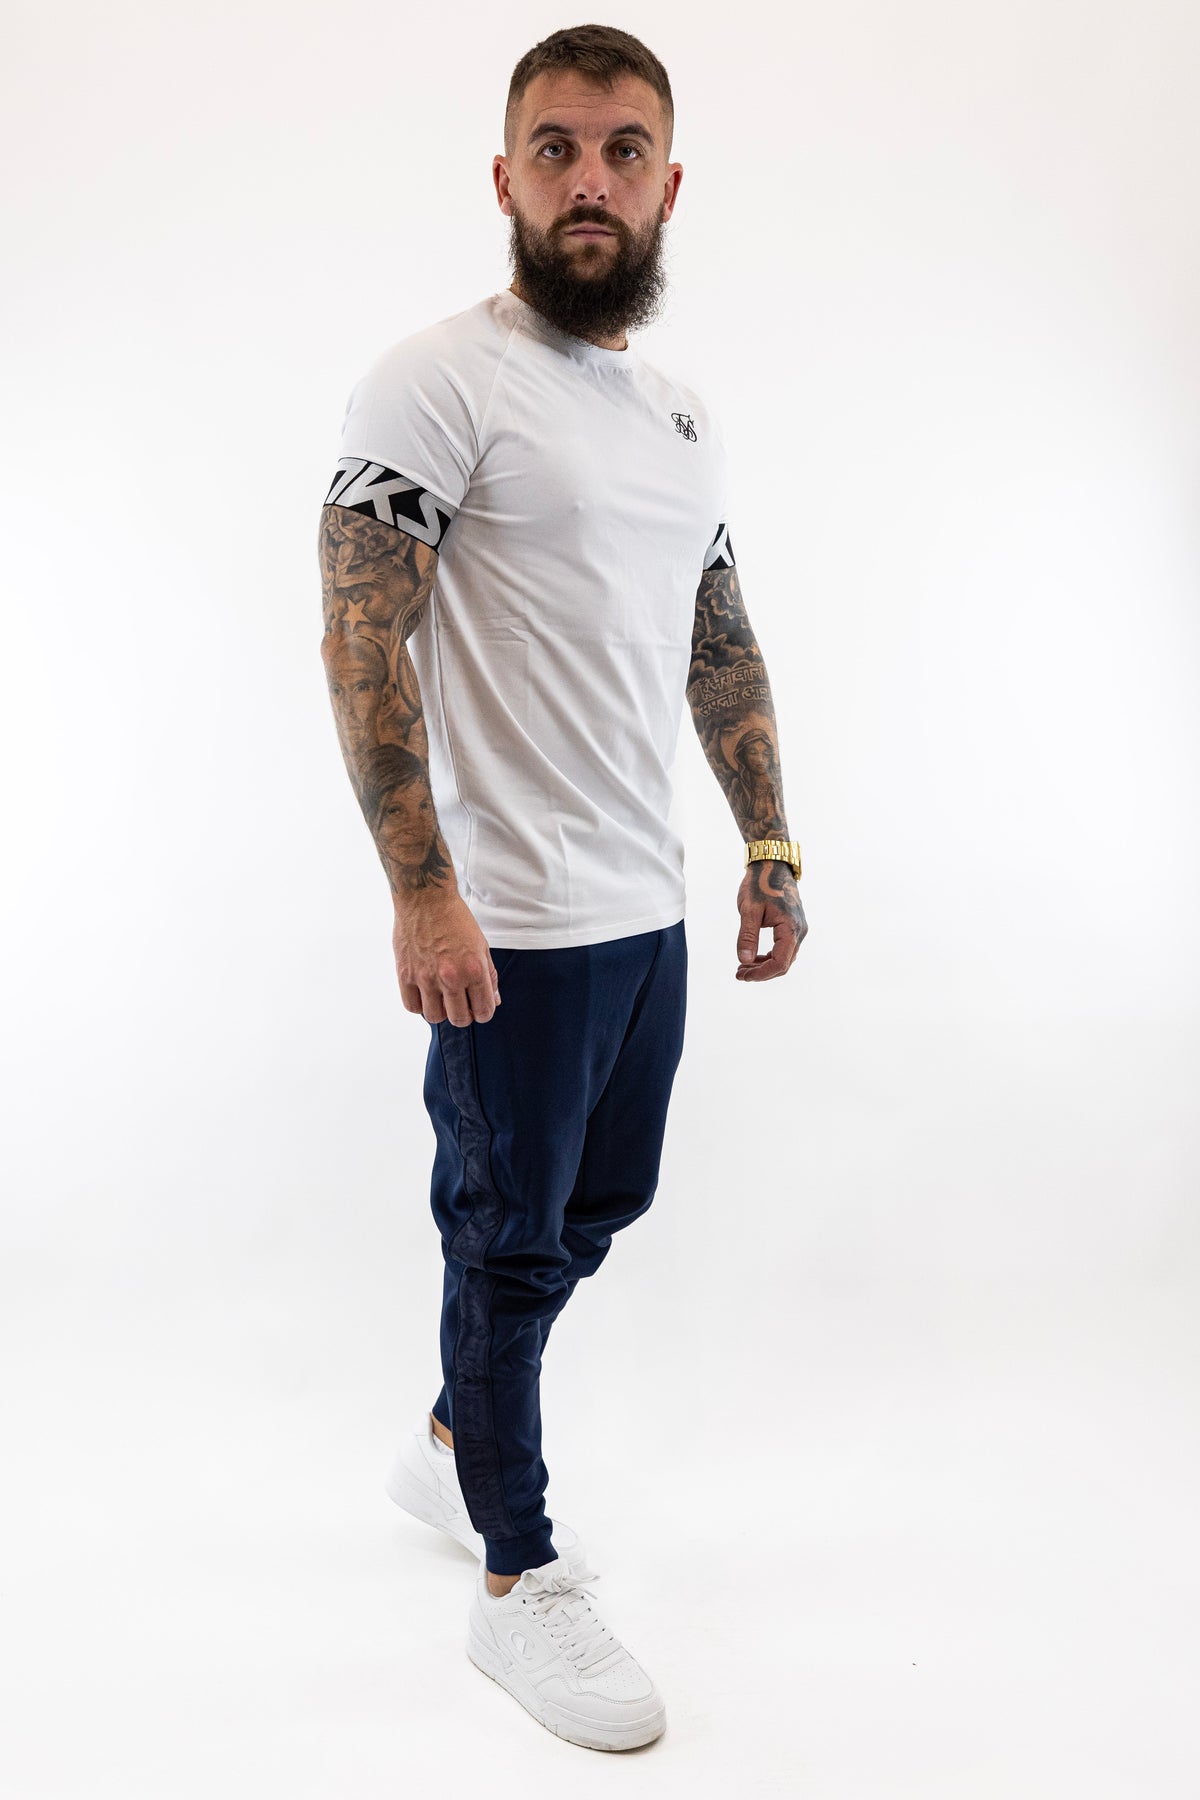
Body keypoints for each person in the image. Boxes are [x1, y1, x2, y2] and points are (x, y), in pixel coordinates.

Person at [317, 23, 806, 1752]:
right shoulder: (437, 381)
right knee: (506, 1237)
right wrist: (422, 891)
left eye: (620, 151)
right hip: (510, 922)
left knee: (603, 1207)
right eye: (555, 148)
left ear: (668, 185)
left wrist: (766, 840)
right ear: (504, 177)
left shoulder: (679, 414)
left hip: (642, 910)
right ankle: (515, 1575)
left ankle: (456, 1440)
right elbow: (361, 635)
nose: (587, 179)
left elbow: (715, 632)